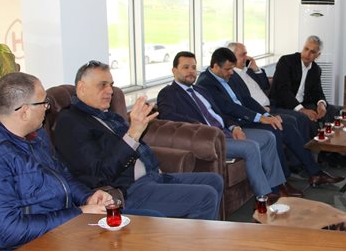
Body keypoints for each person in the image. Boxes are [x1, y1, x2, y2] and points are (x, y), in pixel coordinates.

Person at [0, 72, 111, 251]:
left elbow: (63, 176)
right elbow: (7, 231)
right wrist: (78, 213)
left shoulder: (34, 134)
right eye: (43, 103)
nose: (47, 108)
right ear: (24, 112)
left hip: (63, 236)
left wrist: (88, 197)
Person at [53, 61, 223, 220]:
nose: (110, 91)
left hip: (150, 176)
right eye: (102, 85)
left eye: (111, 85)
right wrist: (133, 133)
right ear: (82, 88)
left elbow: (133, 148)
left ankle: (189, 232)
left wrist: (152, 165)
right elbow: (100, 175)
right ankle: (194, 241)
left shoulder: (107, 116)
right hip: (128, 190)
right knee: (206, 196)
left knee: (215, 180)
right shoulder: (70, 122)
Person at [197, 47, 344, 188]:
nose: (231, 72)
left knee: (286, 125)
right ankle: (282, 182)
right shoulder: (205, 83)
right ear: (215, 66)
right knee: (275, 130)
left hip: (248, 117)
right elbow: (228, 107)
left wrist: (268, 115)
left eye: (232, 68)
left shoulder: (232, 75)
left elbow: (247, 99)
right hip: (235, 123)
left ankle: (315, 172)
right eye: (228, 69)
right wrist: (261, 118)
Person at [157, 51, 286, 201]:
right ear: (174, 71)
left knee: (268, 137)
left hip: (226, 131)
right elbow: (169, 117)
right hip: (208, 138)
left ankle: (275, 187)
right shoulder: (168, 93)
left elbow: (219, 114)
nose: (191, 71)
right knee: (251, 148)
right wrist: (201, 127)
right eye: (186, 67)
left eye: (193, 67)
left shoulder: (200, 90)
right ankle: (263, 197)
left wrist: (234, 127)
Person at [268, 35, 340, 134]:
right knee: (308, 119)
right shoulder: (286, 61)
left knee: (334, 110)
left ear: (317, 55)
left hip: (304, 103)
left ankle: (329, 140)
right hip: (283, 104)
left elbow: (318, 91)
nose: (307, 54)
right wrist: (301, 109)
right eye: (306, 49)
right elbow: (283, 91)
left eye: (312, 52)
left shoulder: (316, 69)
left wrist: (321, 104)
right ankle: (316, 141)